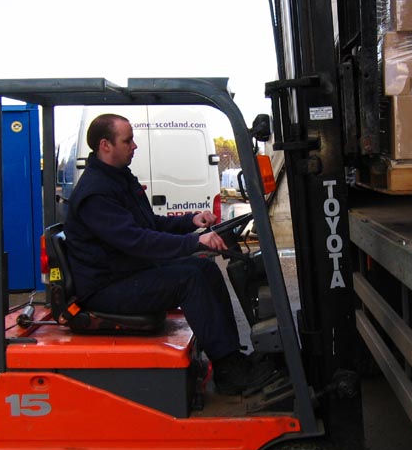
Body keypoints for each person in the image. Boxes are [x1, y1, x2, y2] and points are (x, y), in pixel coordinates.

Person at [64, 113, 277, 395]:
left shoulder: (118, 179)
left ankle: (232, 356)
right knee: (189, 278)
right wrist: (194, 243)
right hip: (106, 287)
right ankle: (229, 371)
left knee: (205, 269)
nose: (134, 146)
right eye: (127, 141)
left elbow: (149, 224)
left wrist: (191, 221)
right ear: (105, 145)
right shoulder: (96, 193)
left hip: (126, 272)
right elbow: (137, 240)